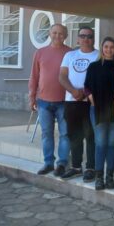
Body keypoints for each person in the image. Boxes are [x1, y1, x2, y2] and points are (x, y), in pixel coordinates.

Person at [28, 23, 72, 176]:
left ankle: (62, 164)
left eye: (61, 33)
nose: (57, 36)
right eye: (54, 32)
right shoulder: (40, 53)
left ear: (66, 36)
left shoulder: (70, 53)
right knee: (46, 134)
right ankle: (48, 163)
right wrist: (32, 97)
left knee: (65, 134)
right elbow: (34, 76)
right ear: (49, 33)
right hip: (43, 101)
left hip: (64, 101)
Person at [59, 26, 98, 182]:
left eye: (89, 36)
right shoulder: (70, 55)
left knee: (90, 135)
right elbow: (62, 76)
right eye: (82, 36)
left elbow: (101, 78)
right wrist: (74, 91)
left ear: (93, 39)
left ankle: (90, 168)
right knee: (74, 135)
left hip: (91, 102)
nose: (86, 39)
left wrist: (86, 92)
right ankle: (76, 167)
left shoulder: (98, 55)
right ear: (77, 39)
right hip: (72, 101)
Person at [84, 37, 114, 190]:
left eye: (112, 47)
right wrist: (92, 100)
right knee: (100, 144)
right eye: (106, 47)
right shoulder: (94, 66)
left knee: (112, 144)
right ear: (102, 48)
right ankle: (99, 178)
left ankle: (109, 177)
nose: (109, 49)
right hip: (98, 110)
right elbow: (86, 86)